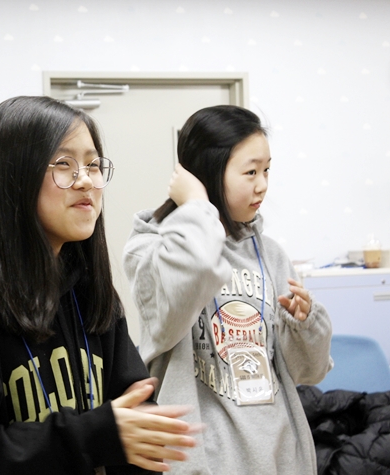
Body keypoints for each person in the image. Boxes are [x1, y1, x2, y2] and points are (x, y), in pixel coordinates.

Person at [0, 96, 198, 475]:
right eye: (64, 164)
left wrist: (140, 434)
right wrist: (91, 436)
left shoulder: (91, 294)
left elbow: (129, 411)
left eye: (93, 165)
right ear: (13, 177)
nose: (86, 180)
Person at [123, 105, 333, 474]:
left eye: (267, 170)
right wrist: (197, 206)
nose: (262, 185)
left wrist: (305, 326)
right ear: (208, 173)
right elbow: (194, 274)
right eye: (251, 172)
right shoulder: (154, 249)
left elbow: (309, 372)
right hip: (204, 461)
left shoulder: (271, 255)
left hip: (280, 457)